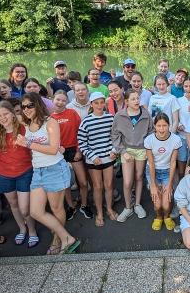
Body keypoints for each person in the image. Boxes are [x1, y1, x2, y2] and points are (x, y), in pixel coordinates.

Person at [18, 92, 81, 254]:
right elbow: (3, 120)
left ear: (38, 105)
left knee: (56, 208)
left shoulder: (50, 122)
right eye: (23, 106)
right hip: (38, 171)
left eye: (30, 105)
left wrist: (28, 144)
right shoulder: (27, 124)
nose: (26, 109)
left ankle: (58, 240)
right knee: (35, 211)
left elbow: (54, 149)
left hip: (55, 169)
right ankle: (67, 237)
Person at [0, 101, 38, 248]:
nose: (3, 118)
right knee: (13, 204)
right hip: (4, 173)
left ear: (13, 113)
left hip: (24, 171)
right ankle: (22, 228)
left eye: (6, 114)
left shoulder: (24, 128)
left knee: (24, 207)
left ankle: (32, 230)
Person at [112, 90, 153, 222]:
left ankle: (137, 204)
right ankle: (128, 207)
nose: (136, 101)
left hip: (141, 150)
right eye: (133, 99)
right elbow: (115, 135)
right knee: (128, 181)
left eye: (138, 98)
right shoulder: (119, 116)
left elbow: (151, 131)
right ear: (126, 101)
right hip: (127, 151)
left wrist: (147, 147)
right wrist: (122, 151)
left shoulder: (146, 114)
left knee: (139, 177)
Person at [78, 92, 118, 225]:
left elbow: (116, 137)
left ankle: (109, 209)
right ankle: (99, 213)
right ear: (91, 104)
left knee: (109, 185)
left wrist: (114, 150)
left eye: (102, 102)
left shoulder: (110, 118)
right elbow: (82, 142)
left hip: (108, 158)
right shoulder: (86, 121)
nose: (99, 105)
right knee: (97, 186)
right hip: (93, 160)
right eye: (96, 103)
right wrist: (92, 156)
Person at [50, 91, 88, 220]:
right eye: (58, 100)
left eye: (63, 100)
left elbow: (80, 132)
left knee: (82, 181)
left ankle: (84, 205)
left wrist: (79, 150)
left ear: (67, 102)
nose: (60, 103)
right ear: (52, 100)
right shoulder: (49, 117)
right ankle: (71, 206)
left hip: (74, 149)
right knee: (65, 183)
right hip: (59, 152)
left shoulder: (72, 113)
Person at [144, 114, 181, 231]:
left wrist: (170, 184)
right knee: (158, 204)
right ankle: (158, 217)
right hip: (153, 171)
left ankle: (166, 216)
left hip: (167, 171)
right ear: (154, 126)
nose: (161, 129)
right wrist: (153, 185)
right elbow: (151, 163)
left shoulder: (176, 139)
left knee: (166, 203)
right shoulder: (149, 140)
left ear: (169, 126)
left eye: (164, 125)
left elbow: (173, 162)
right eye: (159, 126)